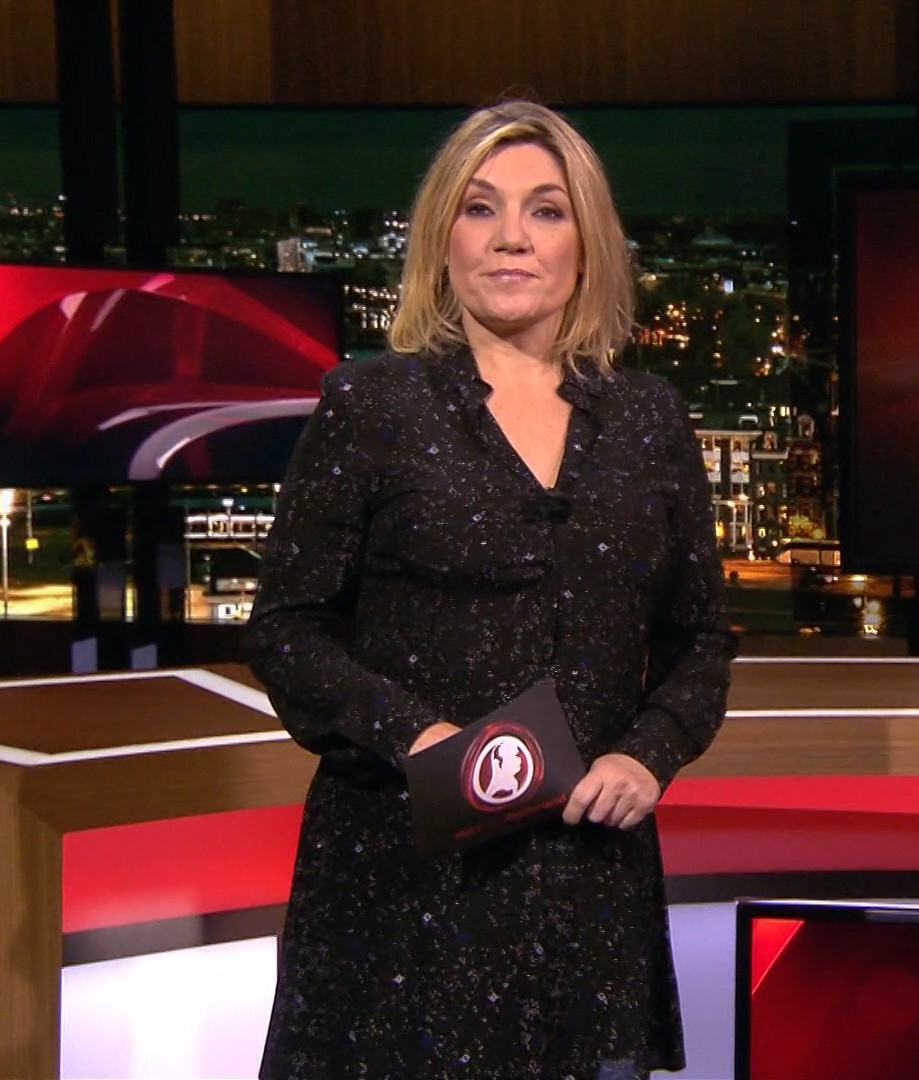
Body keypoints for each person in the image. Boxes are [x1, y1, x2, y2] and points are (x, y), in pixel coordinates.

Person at [244, 100, 736, 1080]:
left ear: (587, 247)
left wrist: (649, 753)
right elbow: (287, 632)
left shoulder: (649, 419)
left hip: (586, 891)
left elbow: (702, 640)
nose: (512, 236)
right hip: (403, 886)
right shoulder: (371, 405)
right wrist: (419, 738)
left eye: (546, 211)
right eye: (481, 208)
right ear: (444, 240)